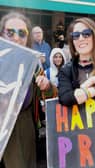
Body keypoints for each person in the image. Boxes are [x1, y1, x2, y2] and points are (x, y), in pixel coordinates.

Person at [0, 12, 53, 168]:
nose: (16, 38)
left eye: (22, 33)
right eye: (10, 32)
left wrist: (47, 85)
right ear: (2, 33)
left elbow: (49, 96)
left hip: (23, 127)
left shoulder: (33, 64)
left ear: (27, 37)